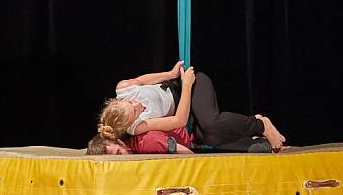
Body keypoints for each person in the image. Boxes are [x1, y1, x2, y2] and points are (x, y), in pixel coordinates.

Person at [93, 61, 286, 154]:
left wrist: (170, 74)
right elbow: (179, 121)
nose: (137, 105)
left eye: (131, 103)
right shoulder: (138, 126)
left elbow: (142, 80)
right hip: (185, 100)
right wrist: (184, 86)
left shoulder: (124, 89)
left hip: (194, 86)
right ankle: (256, 140)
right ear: (130, 123)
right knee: (211, 136)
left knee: (210, 123)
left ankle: (261, 125)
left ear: (117, 101)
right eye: (135, 112)